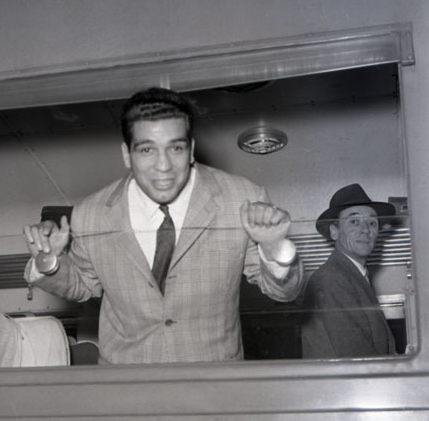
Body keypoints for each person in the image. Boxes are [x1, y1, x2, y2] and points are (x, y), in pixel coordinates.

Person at [23, 87, 303, 364]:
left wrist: (273, 247)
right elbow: (83, 286)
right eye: (147, 149)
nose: (164, 166)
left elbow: (285, 293)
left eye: (176, 148)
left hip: (213, 380)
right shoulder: (90, 214)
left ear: (191, 150)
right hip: (127, 382)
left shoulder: (241, 199)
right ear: (126, 154)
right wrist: (49, 261)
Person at [301, 183, 397, 358]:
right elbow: (357, 357)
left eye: (372, 223)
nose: (365, 230)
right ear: (334, 231)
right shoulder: (332, 279)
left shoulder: (353, 274)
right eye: (354, 221)